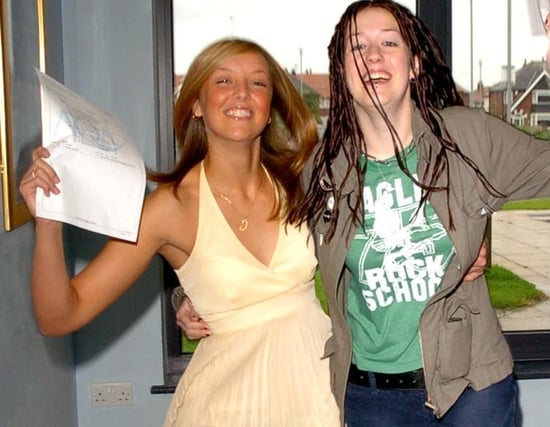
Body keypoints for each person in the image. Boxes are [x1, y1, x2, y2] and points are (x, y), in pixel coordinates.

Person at [289, 1, 550, 426]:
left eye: (389, 42)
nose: (373, 55)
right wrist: (190, 300)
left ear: (414, 65)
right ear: (340, 70)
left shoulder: (468, 139)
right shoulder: (322, 170)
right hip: (372, 400)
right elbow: (272, 257)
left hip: (471, 391)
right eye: (357, 46)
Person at [19, 38, 341, 426]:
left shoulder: (303, 182)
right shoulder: (169, 209)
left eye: (258, 83)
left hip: (317, 395)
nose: (242, 93)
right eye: (223, 81)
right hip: (225, 409)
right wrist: (49, 224)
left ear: (270, 108)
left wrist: (182, 297)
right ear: (196, 105)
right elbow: (60, 315)